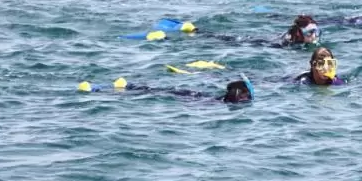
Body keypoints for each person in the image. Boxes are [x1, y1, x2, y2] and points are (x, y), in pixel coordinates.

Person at [77, 77, 253, 103]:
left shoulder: (221, 101)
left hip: (192, 95)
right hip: (191, 97)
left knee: (154, 91)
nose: (248, 98)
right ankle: (103, 90)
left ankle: (127, 86)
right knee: (154, 92)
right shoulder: (220, 103)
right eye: (246, 94)